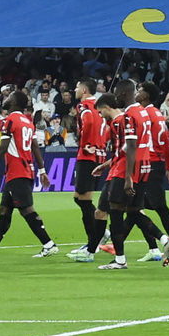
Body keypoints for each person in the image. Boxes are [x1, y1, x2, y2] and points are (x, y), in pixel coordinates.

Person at [0, 95, 58, 259]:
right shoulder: (28, 122)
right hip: (21, 171)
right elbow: (35, 147)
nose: (6, 99)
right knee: (5, 210)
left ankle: (49, 245)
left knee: (26, 209)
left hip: (17, 171)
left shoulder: (10, 120)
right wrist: (42, 170)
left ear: (14, 102)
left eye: (9, 97)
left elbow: (3, 148)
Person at [127, 85, 169, 257]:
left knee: (155, 206)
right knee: (136, 205)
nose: (136, 93)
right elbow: (165, 142)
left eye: (140, 90)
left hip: (149, 162)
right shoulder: (157, 114)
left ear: (145, 96)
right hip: (156, 162)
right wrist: (168, 166)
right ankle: (123, 243)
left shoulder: (145, 114)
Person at [71, 78, 114, 256]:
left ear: (84, 90)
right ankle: (99, 233)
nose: (75, 90)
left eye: (77, 87)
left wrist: (85, 144)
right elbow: (108, 127)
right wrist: (101, 143)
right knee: (79, 198)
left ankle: (94, 240)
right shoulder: (99, 106)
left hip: (87, 156)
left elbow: (87, 123)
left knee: (84, 200)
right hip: (99, 155)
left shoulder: (84, 107)